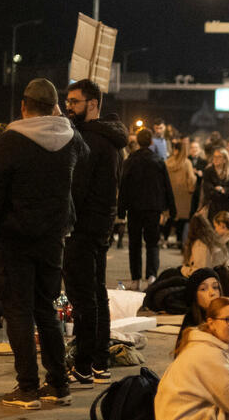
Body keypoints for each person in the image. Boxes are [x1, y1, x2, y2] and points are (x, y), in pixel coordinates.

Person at [0, 78, 88, 409]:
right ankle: (58, 383)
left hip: (14, 240)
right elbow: (82, 167)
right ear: (54, 107)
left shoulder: (11, 140)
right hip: (53, 240)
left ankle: (27, 387)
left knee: (18, 311)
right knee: (48, 309)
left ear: (24, 106)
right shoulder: (71, 140)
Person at [62, 79, 128, 386]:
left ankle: (84, 366)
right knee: (97, 296)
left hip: (83, 228)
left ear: (92, 103)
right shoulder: (110, 138)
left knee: (83, 299)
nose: (68, 106)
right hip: (100, 226)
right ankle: (99, 362)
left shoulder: (88, 139)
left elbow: (77, 190)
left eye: (74, 101)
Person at [119, 127, 176, 289]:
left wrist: (121, 209)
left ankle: (136, 279)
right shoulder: (158, 160)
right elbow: (167, 186)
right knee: (152, 243)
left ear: (137, 141)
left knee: (134, 244)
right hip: (153, 207)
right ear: (151, 142)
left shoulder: (130, 160)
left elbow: (124, 186)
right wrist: (171, 208)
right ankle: (151, 276)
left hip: (134, 208)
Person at [166, 139, 197, 246]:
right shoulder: (187, 162)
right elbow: (191, 179)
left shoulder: (168, 162)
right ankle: (179, 240)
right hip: (184, 196)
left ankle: (166, 238)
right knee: (183, 219)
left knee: (170, 216)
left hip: (170, 194)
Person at [201, 147, 229, 220]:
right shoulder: (208, 171)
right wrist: (223, 193)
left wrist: (223, 190)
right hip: (213, 207)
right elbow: (208, 191)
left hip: (227, 208)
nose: (216, 159)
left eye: (219, 157)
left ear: (224, 160)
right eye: (215, 156)